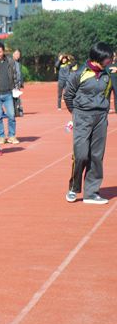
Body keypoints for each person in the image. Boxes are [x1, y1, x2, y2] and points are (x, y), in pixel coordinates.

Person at [63, 42, 114, 204]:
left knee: (96, 155)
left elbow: (107, 95)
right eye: (108, 58)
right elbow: (68, 95)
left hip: (100, 117)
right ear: (99, 58)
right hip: (82, 116)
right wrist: (76, 113)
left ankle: (91, 192)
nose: (110, 60)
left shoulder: (107, 74)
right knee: (81, 154)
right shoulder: (79, 73)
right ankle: (73, 187)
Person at [0, 43, 20, 145]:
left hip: (8, 93)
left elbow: (15, 75)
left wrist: (16, 88)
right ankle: (1, 137)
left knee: (11, 115)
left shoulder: (10, 61)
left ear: (3, 51)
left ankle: (12, 136)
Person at [12, 49, 24, 117]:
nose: (17, 56)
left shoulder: (18, 63)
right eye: (16, 54)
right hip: (13, 82)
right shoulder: (11, 62)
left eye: (18, 55)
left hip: (18, 83)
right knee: (14, 98)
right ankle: (16, 111)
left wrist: (21, 82)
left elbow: (20, 73)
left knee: (17, 97)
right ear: (13, 54)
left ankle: (17, 111)